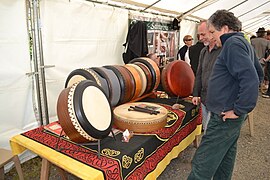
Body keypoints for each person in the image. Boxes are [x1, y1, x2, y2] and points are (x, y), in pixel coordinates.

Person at [188, 10, 263, 180]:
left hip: (223, 115)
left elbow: (251, 80)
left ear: (225, 28)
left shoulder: (233, 44)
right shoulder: (243, 42)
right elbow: (258, 74)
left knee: (202, 163)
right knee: (225, 157)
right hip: (227, 113)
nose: (212, 37)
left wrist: (238, 109)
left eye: (213, 32)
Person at [192, 20, 221, 133]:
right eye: (199, 35)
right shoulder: (203, 51)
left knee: (212, 135)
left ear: (212, 32)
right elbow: (199, 73)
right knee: (207, 130)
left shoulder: (224, 50)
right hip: (204, 99)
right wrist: (195, 93)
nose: (200, 38)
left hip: (218, 102)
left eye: (203, 34)